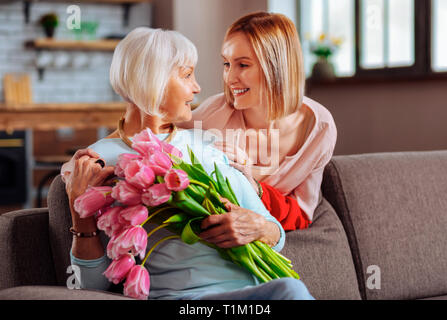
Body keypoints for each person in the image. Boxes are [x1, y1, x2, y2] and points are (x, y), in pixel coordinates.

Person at [65, 27, 313, 300]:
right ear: (153, 79)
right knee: (290, 290)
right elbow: (87, 291)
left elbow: (276, 236)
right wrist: (81, 215)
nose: (197, 87)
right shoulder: (98, 162)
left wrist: (257, 227)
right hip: (188, 301)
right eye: (186, 75)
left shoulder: (208, 146)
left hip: (256, 291)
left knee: (290, 288)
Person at [62, 12, 337, 232]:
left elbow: (301, 213)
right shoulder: (214, 116)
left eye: (243, 65)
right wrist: (93, 157)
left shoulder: (319, 127)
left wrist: (255, 197)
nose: (229, 79)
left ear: (276, 68)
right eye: (226, 64)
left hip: (267, 234)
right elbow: (153, 138)